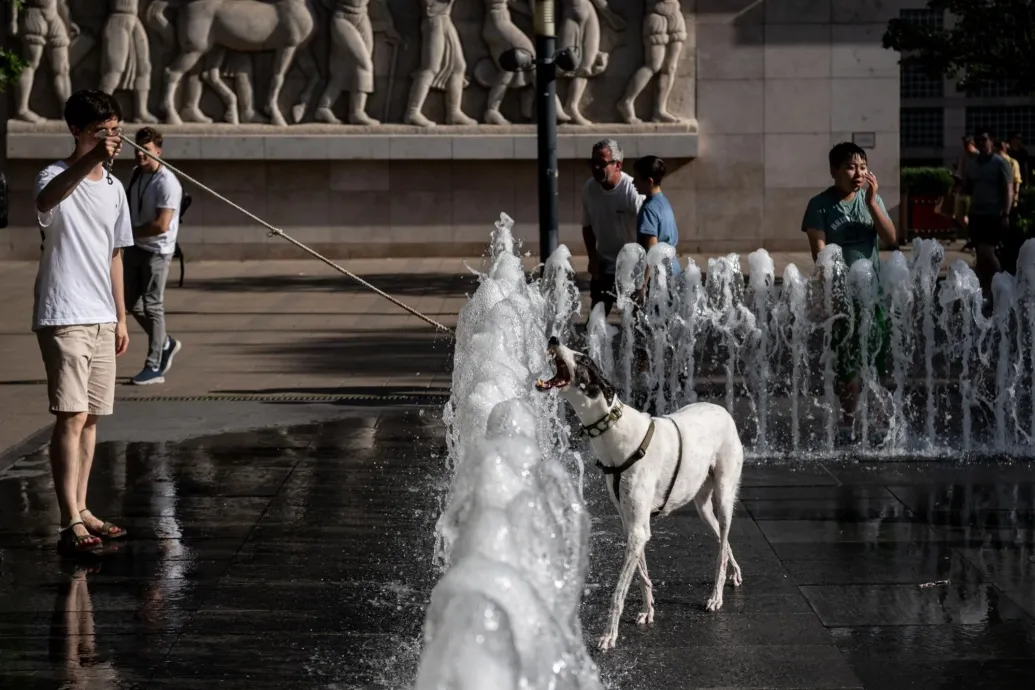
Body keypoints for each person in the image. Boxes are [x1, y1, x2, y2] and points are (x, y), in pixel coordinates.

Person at [34, 89, 133, 555]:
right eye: (101, 132)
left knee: (92, 418)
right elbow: (47, 201)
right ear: (77, 131)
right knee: (70, 416)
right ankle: (68, 518)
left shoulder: (114, 188)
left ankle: (84, 506)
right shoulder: (54, 175)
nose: (111, 139)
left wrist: (120, 316)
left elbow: (115, 254)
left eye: (115, 130)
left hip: (100, 314)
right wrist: (90, 157)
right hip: (64, 312)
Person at [802, 142, 897, 437]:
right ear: (834, 170)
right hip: (842, 297)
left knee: (878, 358)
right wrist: (828, 295)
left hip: (873, 296)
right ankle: (849, 421)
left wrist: (872, 203)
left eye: (863, 166)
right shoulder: (820, 205)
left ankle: (879, 421)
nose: (859, 173)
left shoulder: (871, 200)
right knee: (847, 363)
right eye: (851, 166)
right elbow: (820, 255)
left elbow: (891, 238)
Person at [124, 126, 184, 385]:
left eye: (146, 150)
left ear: (158, 151)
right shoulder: (137, 174)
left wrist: (130, 232)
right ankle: (165, 342)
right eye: (137, 149)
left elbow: (161, 224)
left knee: (153, 305)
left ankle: (154, 366)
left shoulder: (167, 182)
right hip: (136, 246)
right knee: (130, 303)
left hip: (157, 250)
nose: (140, 154)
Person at [582, 139, 643, 316]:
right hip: (605, 264)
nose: (596, 168)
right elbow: (587, 227)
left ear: (618, 165)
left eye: (601, 164)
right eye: (593, 163)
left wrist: (644, 275)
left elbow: (648, 232)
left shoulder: (632, 190)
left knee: (635, 323)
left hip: (632, 266)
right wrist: (592, 258)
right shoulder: (589, 188)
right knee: (595, 320)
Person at [960, 131, 1013, 302]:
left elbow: (1008, 189)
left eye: (984, 140)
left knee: (987, 251)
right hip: (976, 214)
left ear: (991, 141)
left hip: (993, 214)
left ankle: (1002, 284)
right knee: (980, 255)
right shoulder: (972, 164)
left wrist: (1006, 213)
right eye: (978, 141)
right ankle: (986, 289)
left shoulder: (1000, 163)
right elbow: (969, 187)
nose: (981, 143)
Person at [632, 154, 680, 281]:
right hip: (673, 270)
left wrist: (643, 284)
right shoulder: (664, 202)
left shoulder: (649, 209)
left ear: (649, 181)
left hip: (659, 277)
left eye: (636, 179)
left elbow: (652, 251)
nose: (633, 182)